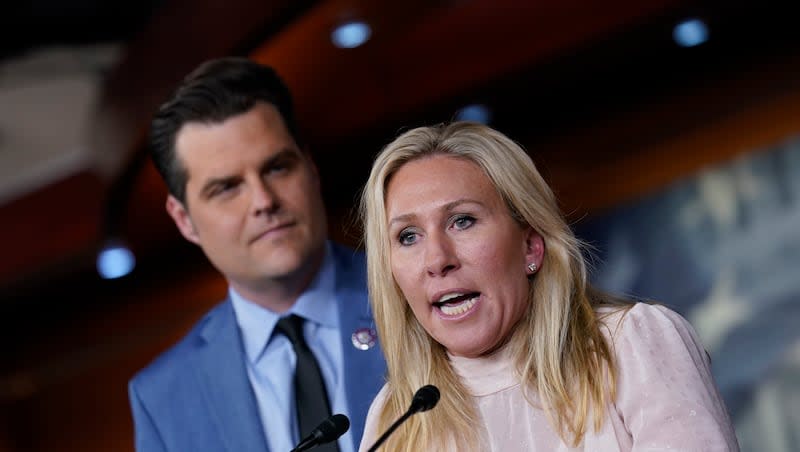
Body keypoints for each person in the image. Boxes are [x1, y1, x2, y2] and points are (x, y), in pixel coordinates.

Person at [357, 121, 739, 451]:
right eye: (408, 236)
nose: (437, 259)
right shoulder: (395, 416)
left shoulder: (631, 347)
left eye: (462, 221)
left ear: (530, 246)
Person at [127, 57, 386, 452]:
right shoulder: (163, 397)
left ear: (310, 169)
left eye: (277, 168)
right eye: (227, 187)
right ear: (184, 220)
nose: (264, 201)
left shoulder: (414, 293)